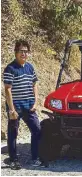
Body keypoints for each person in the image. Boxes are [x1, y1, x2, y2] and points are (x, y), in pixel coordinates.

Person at [3, 40, 45, 170]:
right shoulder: (10, 68)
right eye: (21, 51)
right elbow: (7, 89)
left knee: (37, 130)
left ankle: (35, 158)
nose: (24, 54)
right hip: (15, 106)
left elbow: (35, 84)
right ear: (16, 52)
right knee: (13, 133)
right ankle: (13, 160)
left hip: (29, 105)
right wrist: (11, 110)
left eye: (26, 52)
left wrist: (36, 101)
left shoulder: (30, 67)